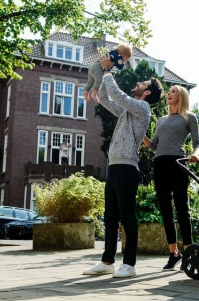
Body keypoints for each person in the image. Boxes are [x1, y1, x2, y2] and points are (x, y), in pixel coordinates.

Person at [82, 55, 164, 278]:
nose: (138, 84)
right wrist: (99, 76)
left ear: (146, 93)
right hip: (115, 166)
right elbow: (105, 98)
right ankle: (107, 261)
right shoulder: (127, 111)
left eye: (142, 84)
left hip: (128, 169)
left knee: (127, 217)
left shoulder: (142, 109)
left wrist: (109, 71)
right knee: (110, 217)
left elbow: (117, 94)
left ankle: (130, 264)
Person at [142, 85, 199, 271]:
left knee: (182, 208)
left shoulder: (189, 117)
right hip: (159, 164)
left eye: (173, 92)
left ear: (181, 96)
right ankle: (173, 253)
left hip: (178, 163)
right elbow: (154, 146)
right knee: (166, 211)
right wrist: (141, 136)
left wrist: (196, 154)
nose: (168, 94)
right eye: (168, 92)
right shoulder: (161, 120)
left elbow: (198, 143)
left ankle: (188, 253)